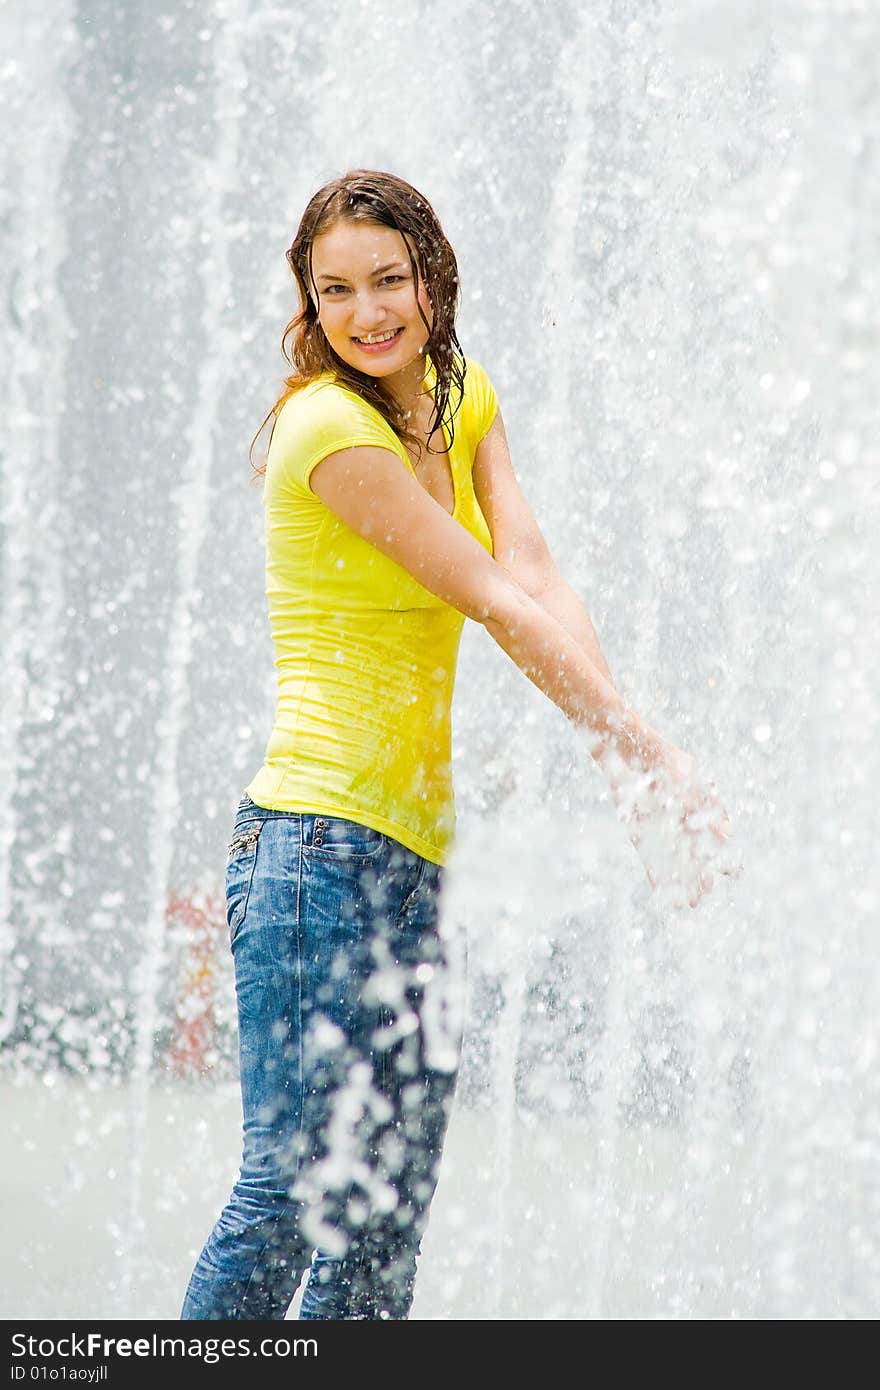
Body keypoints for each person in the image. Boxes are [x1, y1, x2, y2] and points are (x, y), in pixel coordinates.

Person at [180, 168, 737, 1321]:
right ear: (308, 300)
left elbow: (537, 574)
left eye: (389, 280)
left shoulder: (458, 390)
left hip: (413, 864)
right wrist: (646, 751)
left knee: (379, 1222)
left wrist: (624, 759)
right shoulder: (325, 428)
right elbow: (489, 595)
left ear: (433, 277)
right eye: (334, 290)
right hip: (308, 854)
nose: (366, 312)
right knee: (288, 1194)